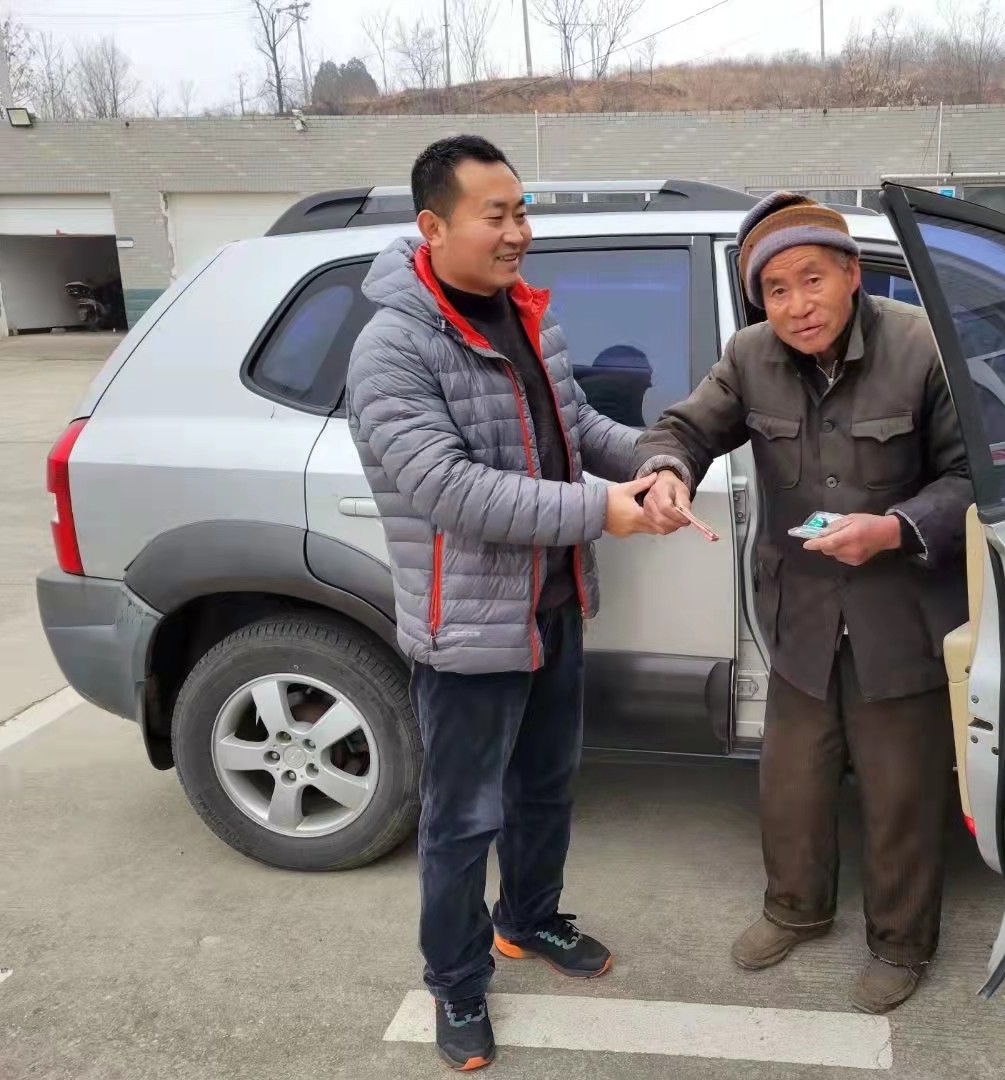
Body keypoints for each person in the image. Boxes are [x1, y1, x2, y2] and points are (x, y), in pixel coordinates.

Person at [346, 135, 658, 1071]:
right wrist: (604, 511)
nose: (520, 231)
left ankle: (530, 918)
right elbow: (451, 489)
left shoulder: (526, 314)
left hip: (550, 606)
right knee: (462, 819)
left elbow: (579, 425)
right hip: (467, 629)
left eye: (523, 212)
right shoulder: (393, 347)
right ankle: (456, 980)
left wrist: (663, 453)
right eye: (498, 215)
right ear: (433, 226)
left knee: (546, 787)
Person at [634, 191, 972, 1014]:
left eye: (812, 280)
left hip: (901, 613)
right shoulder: (749, 355)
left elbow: (973, 477)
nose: (797, 306)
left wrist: (894, 530)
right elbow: (683, 429)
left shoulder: (921, 346)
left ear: (852, 274)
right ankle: (795, 908)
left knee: (902, 791)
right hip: (801, 615)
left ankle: (901, 943)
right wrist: (666, 472)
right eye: (776, 290)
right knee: (792, 780)